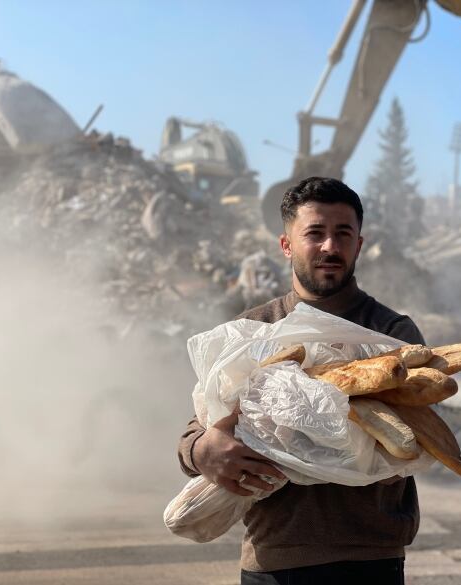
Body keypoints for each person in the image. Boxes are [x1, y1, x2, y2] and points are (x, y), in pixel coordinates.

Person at [177, 177, 425, 585]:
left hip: (369, 560)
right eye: (315, 233)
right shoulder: (254, 329)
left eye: (343, 234)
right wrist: (201, 449)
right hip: (273, 558)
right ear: (286, 245)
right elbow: (201, 422)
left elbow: (417, 436)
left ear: (359, 245)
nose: (330, 246)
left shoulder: (392, 334)